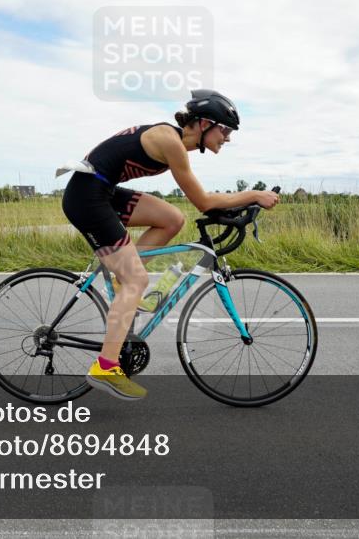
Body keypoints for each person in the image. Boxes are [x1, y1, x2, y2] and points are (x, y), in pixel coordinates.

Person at [60, 90, 280, 400]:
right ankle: (106, 367)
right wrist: (252, 194)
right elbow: (203, 201)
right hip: (87, 198)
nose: (227, 138)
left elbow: (201, 203)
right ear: (204, 124)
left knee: (172, 218)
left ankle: (127, 286)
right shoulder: (170, 142)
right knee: (137, 279)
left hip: (103, 191)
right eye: (225, 130)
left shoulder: (174, 141)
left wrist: (233, 206)